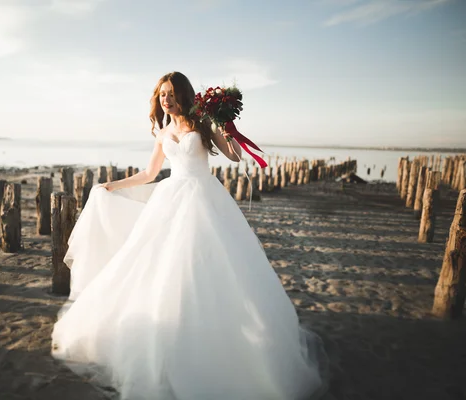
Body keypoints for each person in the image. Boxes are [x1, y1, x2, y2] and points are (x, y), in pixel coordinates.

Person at [51, 71, 328, 400]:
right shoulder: (162, 131)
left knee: (212, 268)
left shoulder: (202, 122)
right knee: (160, 270)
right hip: (170, 201)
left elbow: (235, 155)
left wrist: (225, 126)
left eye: (170, 93)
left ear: (183, 95)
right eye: (161, 94)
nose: (165, 98)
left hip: (205, 200)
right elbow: (151, 173)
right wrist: (112, 185)